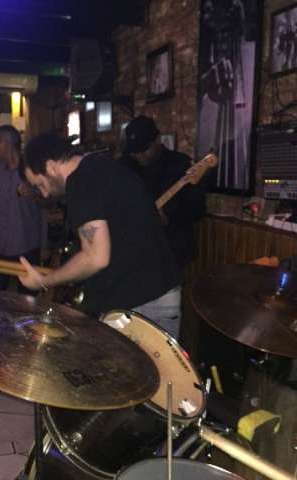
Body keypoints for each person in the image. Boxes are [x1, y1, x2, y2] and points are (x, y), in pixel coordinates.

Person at [19, 133, 183, 338]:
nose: (44, 194)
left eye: (40, 184)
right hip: (151, 298)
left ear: (51, 166)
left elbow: (95, 257)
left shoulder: (81, 182)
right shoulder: (101, 167)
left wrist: (45, 280)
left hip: (142, 307)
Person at [122, 115, 206, 269]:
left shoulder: (180, 164)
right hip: (137, 253)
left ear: (157, 140)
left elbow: (198, 208)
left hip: (172, 251)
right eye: (134, 151)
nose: (139, 155)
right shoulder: (126, 167)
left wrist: (169, 218)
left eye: (143, 149)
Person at [0, 125, 44, 294]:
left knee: (28, 297)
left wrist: (33, 193)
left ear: (8, 143)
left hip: (26, 243)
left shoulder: (32, 168)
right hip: (0, 244)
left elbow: (48, 201)